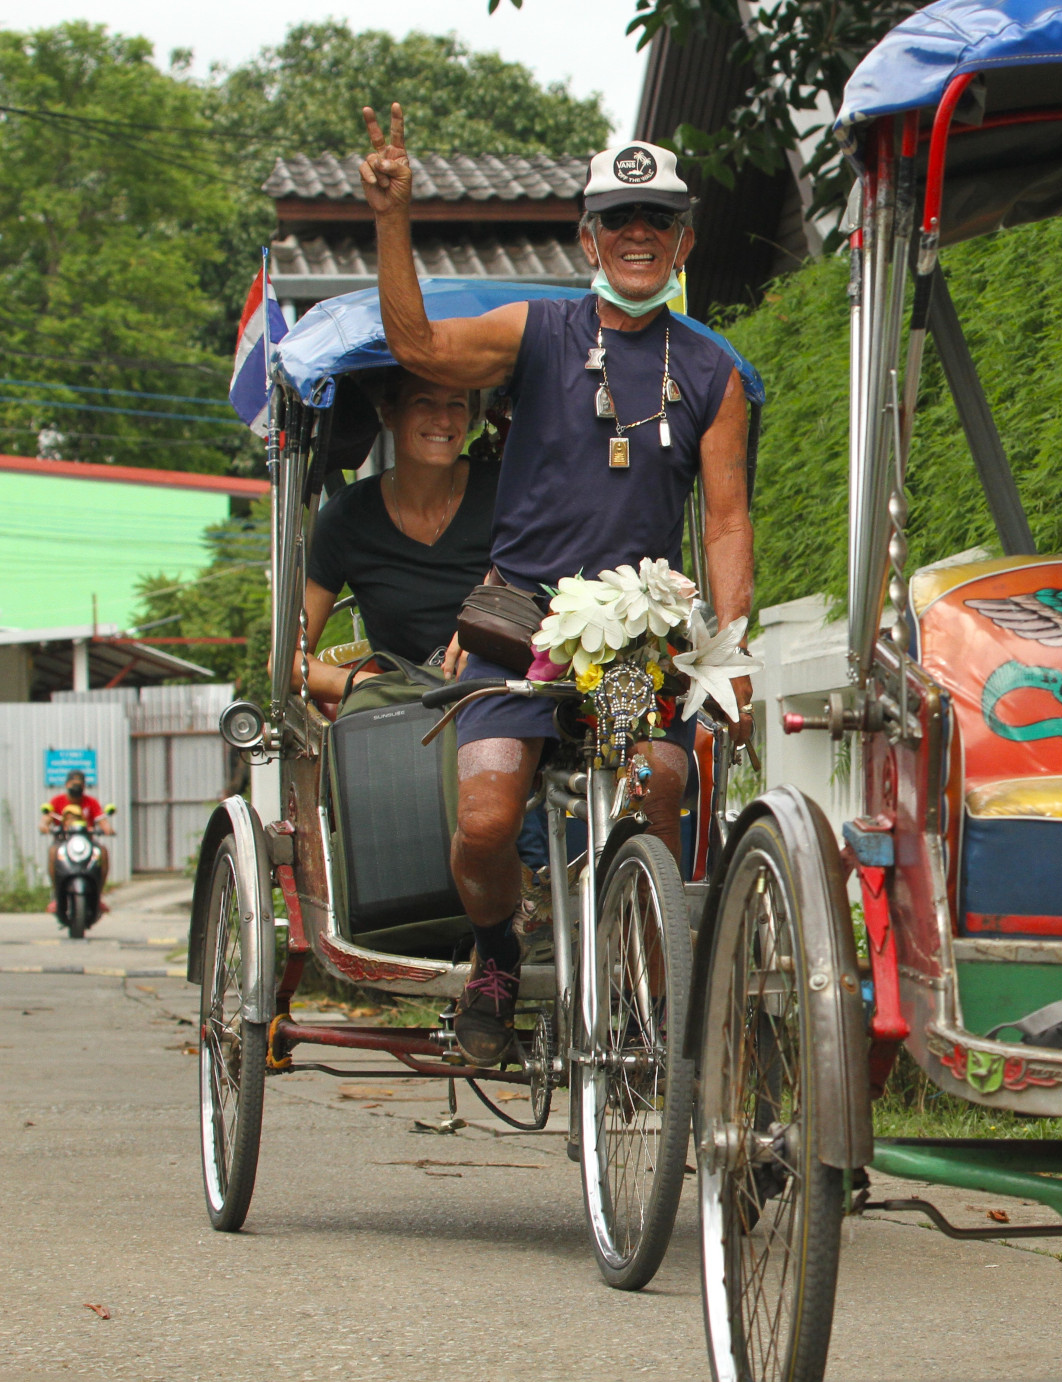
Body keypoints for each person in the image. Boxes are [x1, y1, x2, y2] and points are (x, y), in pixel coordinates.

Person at [358, 105, 754, 1067]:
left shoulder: (712, 370)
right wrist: (393, 216)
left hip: (631, 644)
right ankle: (498, 951)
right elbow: (418, 353)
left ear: (682, 239)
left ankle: (642, 1000)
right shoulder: (535, 330)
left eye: (655, 219)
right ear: (586, 236)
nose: (636, 236)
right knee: (489, 818)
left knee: (656, 784)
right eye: (617, 218)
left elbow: (728, 521)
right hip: (519, 628)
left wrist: (731, 656)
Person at [293, 369, 496, 704]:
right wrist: (382, 688)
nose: (443, 420)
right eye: (424, 401)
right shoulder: (346, 518)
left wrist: (488, 630)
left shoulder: (506, 496)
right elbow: (287, 663)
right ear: (390, 413)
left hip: (498, 695)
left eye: (456, 405)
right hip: (402, 715)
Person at [42, 770, 112, 914]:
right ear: (67, 784)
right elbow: (46, 820)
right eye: (74, 784)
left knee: (103, 852)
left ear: (85, 786)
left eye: (80, 784)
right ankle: (56, 895)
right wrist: (44, 827)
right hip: (64, 843)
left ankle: (98, 895)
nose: (77, 787)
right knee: (53, 852)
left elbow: (103, 821)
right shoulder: (57, 801)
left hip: (87, 843)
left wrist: (108, 829)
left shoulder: (91, 802)